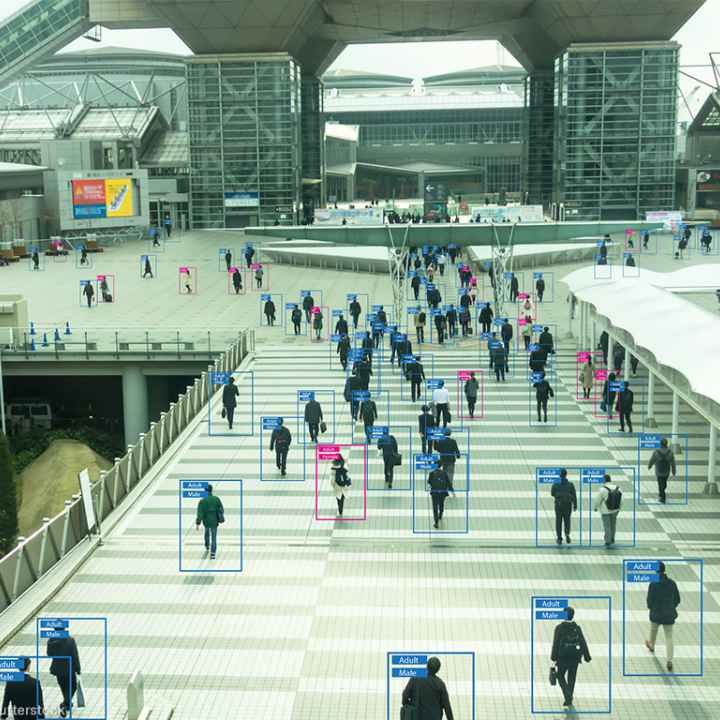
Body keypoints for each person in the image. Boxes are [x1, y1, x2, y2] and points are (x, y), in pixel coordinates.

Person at [550, 606, 592, 709]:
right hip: (575, 658)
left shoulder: (559, 628)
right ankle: (569, 698)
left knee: (560, 676)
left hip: (562, 658)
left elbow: (555, 644)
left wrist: (553, 657)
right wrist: (587, 656)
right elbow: (582, 642)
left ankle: (567, 695)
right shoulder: (577, 628)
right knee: (572, 677)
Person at [645, 561, 681, 672]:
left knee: (653, 630)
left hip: (656, 613)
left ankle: (651, 645)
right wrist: (671, 607)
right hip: (668, 614)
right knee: (669, 637)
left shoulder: (653, 584)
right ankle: (669, 661)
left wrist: (651, 607)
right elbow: (677, 599)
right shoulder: (672, 583)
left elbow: (649, 601)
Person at [401, 656, 455, 720]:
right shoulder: (440, 684)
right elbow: (447, 707)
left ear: (427, 665)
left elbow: (405, 695)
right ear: (438, 670)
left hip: (416, 716)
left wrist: (408, 705)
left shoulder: (415, 678)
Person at [195, 483, 224, 559]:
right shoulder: (216, 499)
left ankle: (207, 546)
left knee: (207, 533)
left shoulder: (202, 501)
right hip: (214, 521)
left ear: (205, 491)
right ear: (211, 490)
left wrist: (198, 523)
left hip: (206, 522)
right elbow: (221, 509)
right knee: (214, 537)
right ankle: (213, 553)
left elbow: (200, 513)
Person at [593, 473, 622, 547]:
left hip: (605, 511)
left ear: (604, 480)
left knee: (607, 526)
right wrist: (619, 508)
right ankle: (612, 538)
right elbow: (622, 500)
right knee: (613, 525)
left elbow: (597, 500)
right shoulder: (618, 488)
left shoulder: (603, 489)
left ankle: (608, 541)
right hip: (615, 510)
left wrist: (595, 507)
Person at [551, 468, 577, 545]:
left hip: (558, 505)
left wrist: (558, 495)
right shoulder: (570, 484)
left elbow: (552, 493)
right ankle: (567, 534)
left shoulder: (555, 484)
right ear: (566, 475)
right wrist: (575, 505)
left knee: (558, 521)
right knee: (567, 521)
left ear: (560, 475)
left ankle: (559, 538)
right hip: (568, 505)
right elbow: (574, 495)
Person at [648, 438, 677, 504]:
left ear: (660, 444)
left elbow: (652, 459)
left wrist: (650, 466)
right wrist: (673, 471)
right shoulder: (670, 452)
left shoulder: (656, 452)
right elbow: (673, 463)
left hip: (658, 471)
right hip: (666, 471)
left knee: (660, 483)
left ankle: (662, 496)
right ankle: (662, 494)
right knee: (664, 483)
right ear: (666, 444)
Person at [427, 464, 454, 529]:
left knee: (435, 506)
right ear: (441, 466)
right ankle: (441, 513)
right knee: (441, 503)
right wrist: (451, 489)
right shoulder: (444, 473)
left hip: (435, 492)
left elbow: (429, 482)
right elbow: (448, 482)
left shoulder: (431, 473)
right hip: (442, 492)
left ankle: (436, 522)